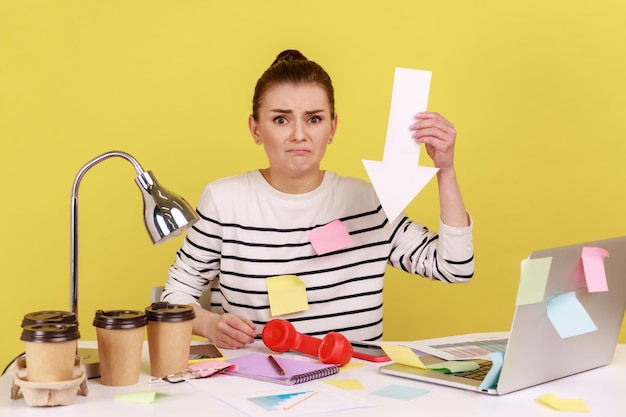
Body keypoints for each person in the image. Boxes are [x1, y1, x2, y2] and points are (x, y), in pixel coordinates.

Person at [162, 50, 474, 349]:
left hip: (354, 383)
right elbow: (174, 295)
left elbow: (454, 267)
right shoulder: (224, 201)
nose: (299, 134)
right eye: (281, 120)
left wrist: (445, 170)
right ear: (255, 128)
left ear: (332, 127)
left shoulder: (368, 202)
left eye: (313, 119)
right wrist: (209, 324)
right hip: (257, 384)